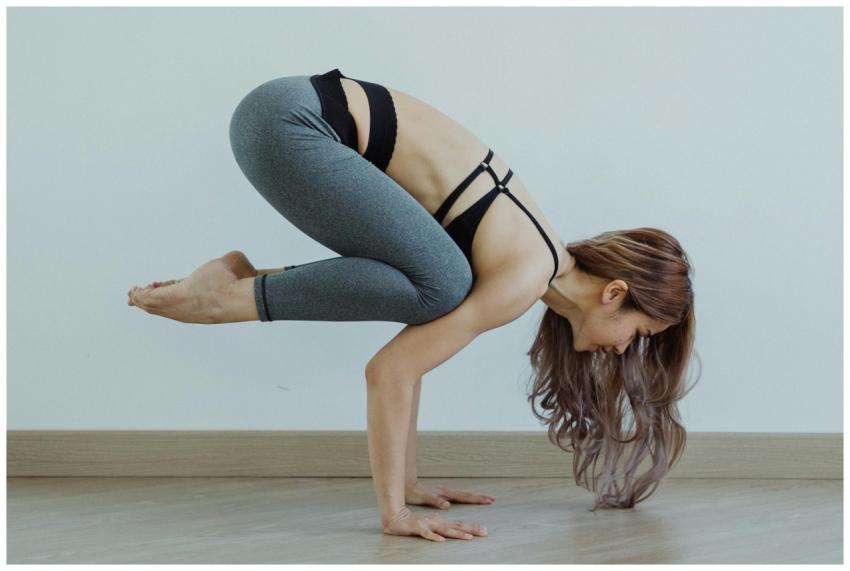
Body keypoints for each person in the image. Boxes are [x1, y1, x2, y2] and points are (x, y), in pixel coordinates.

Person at [127, 68, 697, 542]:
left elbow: (414, 350)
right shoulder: (525, 277)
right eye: (639, 332)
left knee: (439, 288)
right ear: (614, 292)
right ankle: (232, 296)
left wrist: (410, 482)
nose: (626, 348)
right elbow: (390, 370)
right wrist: (394, 515)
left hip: (286, 114)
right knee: (442, 284)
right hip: (290, 125)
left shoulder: (535, 258)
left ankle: (237, 281)